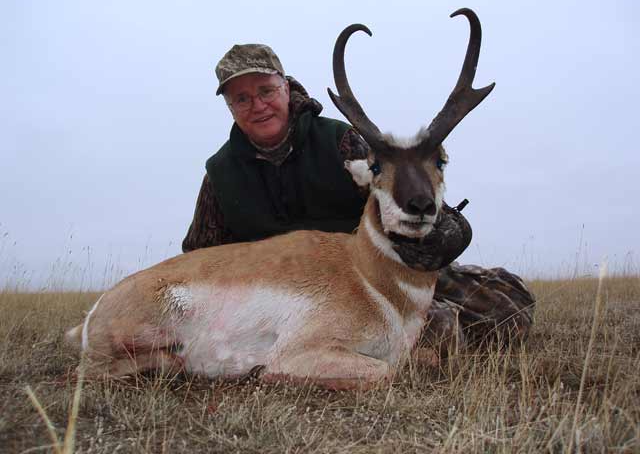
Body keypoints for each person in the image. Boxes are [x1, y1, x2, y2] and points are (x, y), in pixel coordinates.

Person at [182, 43, 534, 359]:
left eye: (266, 91)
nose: (257, 105)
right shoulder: (221, 174)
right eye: (242, 99)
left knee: (507, 310)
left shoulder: (342, 141)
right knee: (440, 331)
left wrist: (448, 233)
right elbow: (200, 255)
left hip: (376, 268)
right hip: (291, 293)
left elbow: (409, 199)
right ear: (230, 107)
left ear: (285, 88)